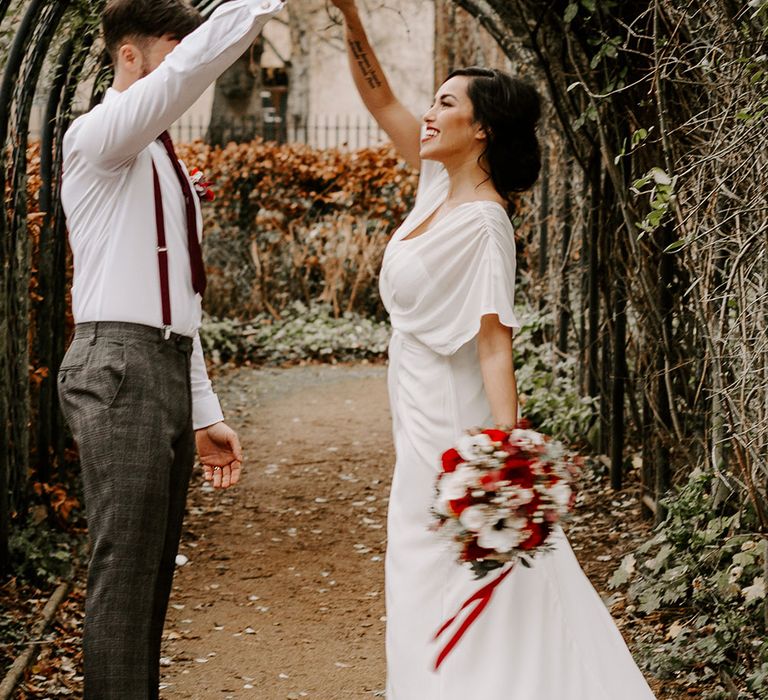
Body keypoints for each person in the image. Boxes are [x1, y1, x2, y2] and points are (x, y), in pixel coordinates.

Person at [329, 2, 658, 698]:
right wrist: (350, 17)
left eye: (445, 103)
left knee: (456, 582)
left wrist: (504, 463)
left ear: (479, 129)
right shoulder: (436, 189)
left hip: (450, 433)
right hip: (414, 421)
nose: (427, 112)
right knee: (424, 587)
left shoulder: (483, 223)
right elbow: (382, 96)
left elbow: (493, 346)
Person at [57, 0, 284, 697]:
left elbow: (178, 297)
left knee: (150, 571)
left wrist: (203, 408)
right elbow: (185, 72)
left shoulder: (162, 160)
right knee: (124, 569)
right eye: (169, 49)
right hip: (115, 365)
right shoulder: (100, 135)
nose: (187, 73)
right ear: (130, 55)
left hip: (160, 362)